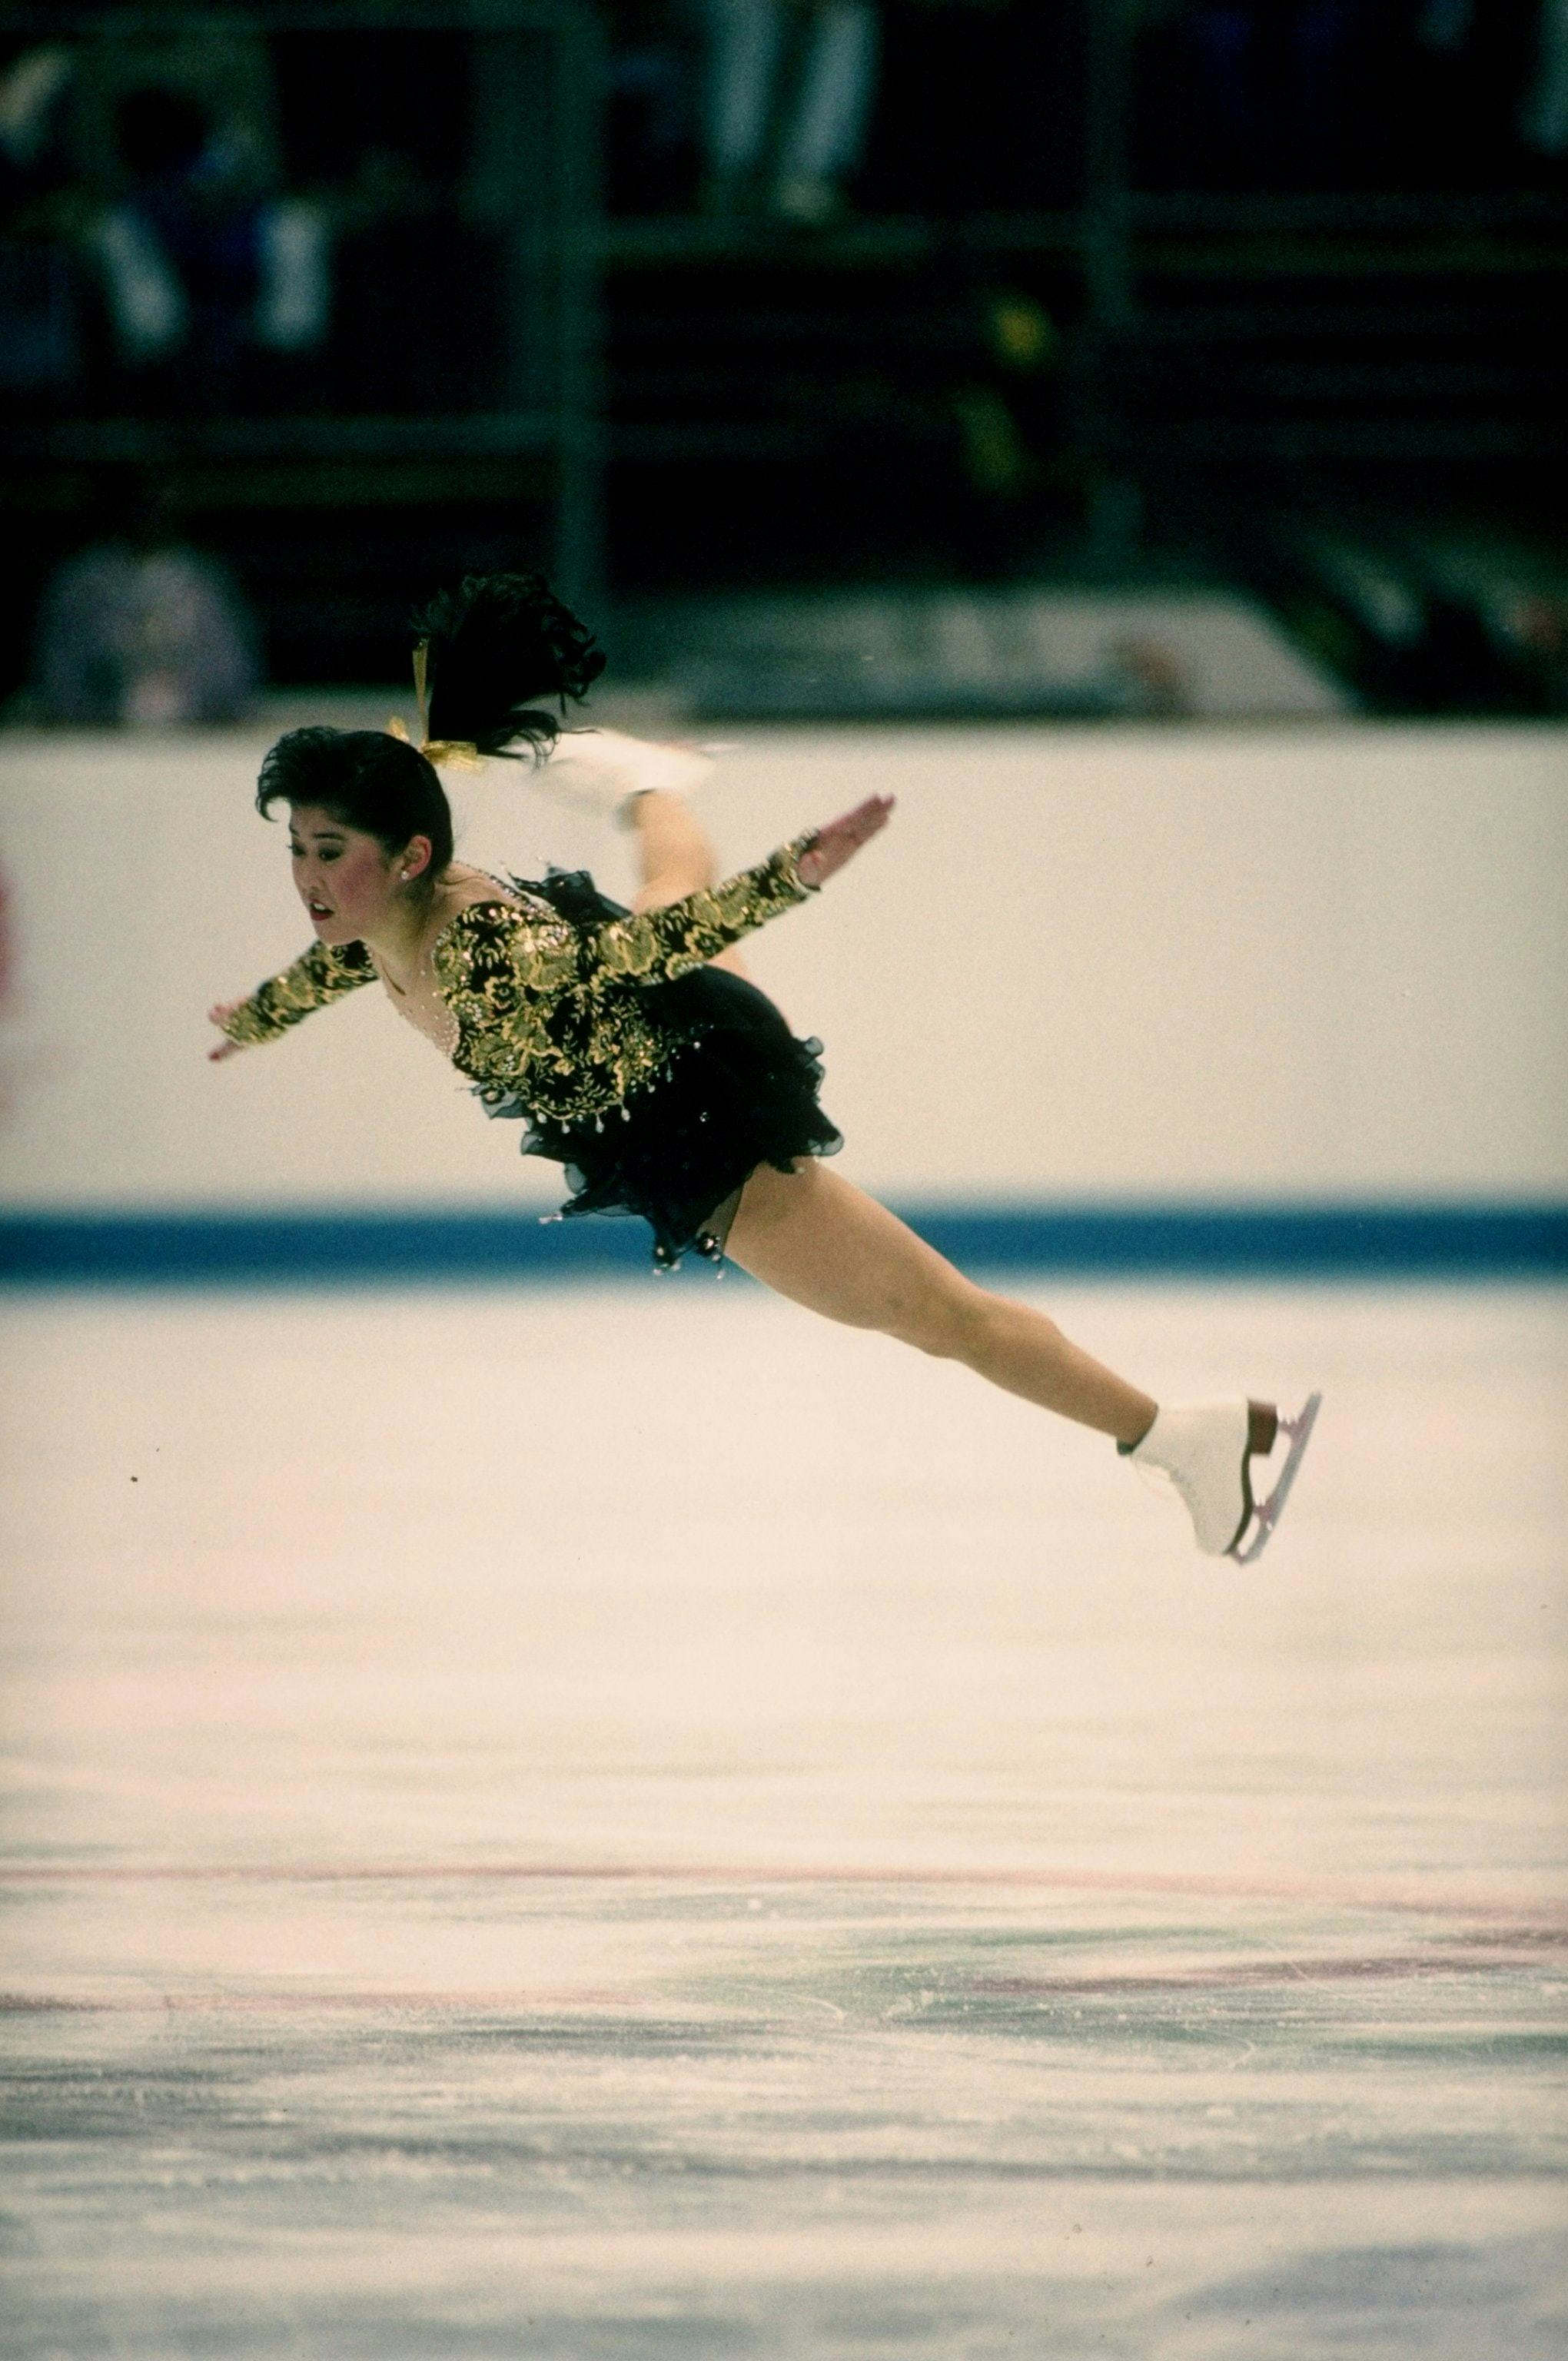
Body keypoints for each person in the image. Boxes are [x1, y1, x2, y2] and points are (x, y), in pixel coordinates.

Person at [208, 573, 1318, 1562]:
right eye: (297, 848)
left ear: (411, 858)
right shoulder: (376, 918)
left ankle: (1183, 1439)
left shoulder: (482, 952)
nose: (307, 878)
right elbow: (335, 966)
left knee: (939, 1316)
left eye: (329, 852)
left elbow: (646, 954)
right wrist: (260, 1016)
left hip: (700, 1123)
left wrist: (799, 871)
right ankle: (648, 787)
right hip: (646, 1040)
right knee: (668, 882)